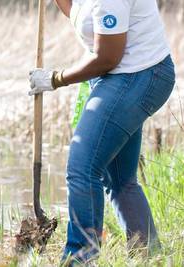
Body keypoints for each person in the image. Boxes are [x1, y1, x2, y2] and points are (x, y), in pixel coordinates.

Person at [29, 0, 175, 264]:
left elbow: (107, 57)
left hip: (137, 76)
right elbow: (77, 13)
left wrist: (55, 79)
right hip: (121, 75)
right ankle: (150, 257)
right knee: (119, 178)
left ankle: (79, 258)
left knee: (83, 167)